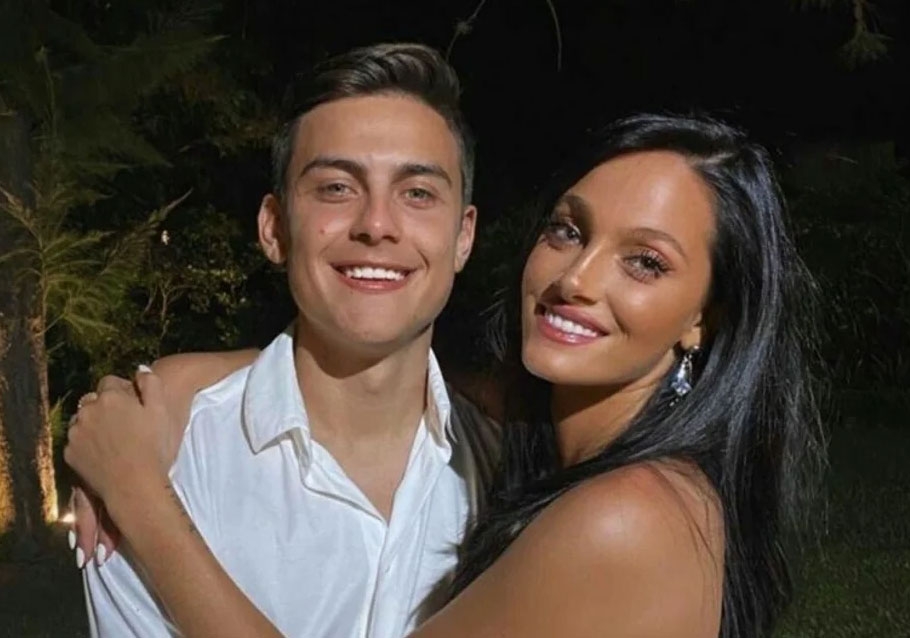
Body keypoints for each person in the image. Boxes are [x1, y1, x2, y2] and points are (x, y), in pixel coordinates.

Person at [67, 112, 825, 637]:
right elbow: (396, 367)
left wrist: (140, 495)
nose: (577, 279)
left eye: (646, 262)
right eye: (569, 230)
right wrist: (185, 381)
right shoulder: (549, 444)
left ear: (704, 319)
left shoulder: (626, 516)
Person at [65, 42, 502, 638]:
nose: (377, 224)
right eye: (336, 188)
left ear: (463, 237)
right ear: (274, 229)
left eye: (418, 193)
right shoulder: (170, 454)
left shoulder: (510, 476)